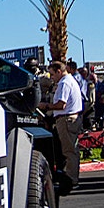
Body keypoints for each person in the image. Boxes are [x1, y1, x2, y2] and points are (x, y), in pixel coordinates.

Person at [39, 60, 84, 189]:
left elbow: (61, 104)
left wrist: (46, 106)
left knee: (69, 151)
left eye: (52, 74)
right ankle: (71, 177)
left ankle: (71, 180)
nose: (52, 77)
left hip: (66, 119)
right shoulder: (70, 81)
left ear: (59, 71)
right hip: (71, 118)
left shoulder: (64, 83)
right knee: (71, 150)